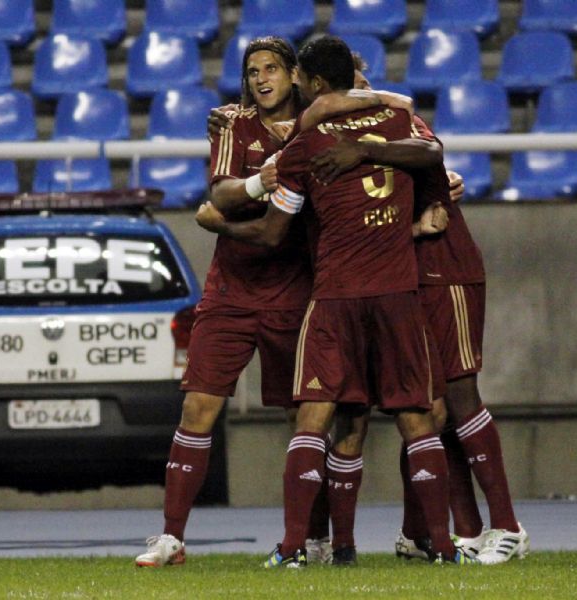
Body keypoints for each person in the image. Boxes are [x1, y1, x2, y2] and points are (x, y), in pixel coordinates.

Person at [196, 35, 478, 568]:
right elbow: (434, 156)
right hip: (398, 296)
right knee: (418, 417)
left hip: (334, 300)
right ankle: (443, 547)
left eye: (297, 75)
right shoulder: (399, 128)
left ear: (314, 82)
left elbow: (276, 232)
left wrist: (220, 226)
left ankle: (294, 549)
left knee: (314, 420)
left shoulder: (304, 145)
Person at [301, 63, 528, 565]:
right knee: (428, 410)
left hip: (443, 269)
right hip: (396, 282)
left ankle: (507, 526)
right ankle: (455, 533)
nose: (357, 98)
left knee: (461, 393)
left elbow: (432, 157)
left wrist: (383, 155)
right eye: (348, 89)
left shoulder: (396, 123)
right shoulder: (323, 140)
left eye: (363, 87)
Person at [135, 36, 334, 567]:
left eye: (271, 68)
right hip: (230, 290)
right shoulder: (233, 124)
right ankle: (171, 538)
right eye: (252, 71)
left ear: (294, 75)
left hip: (296, 290)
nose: (261, 78)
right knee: (198, 405)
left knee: (305, 419)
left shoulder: (319, 127)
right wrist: (256, 183)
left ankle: (314, 539)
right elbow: (220, 190)